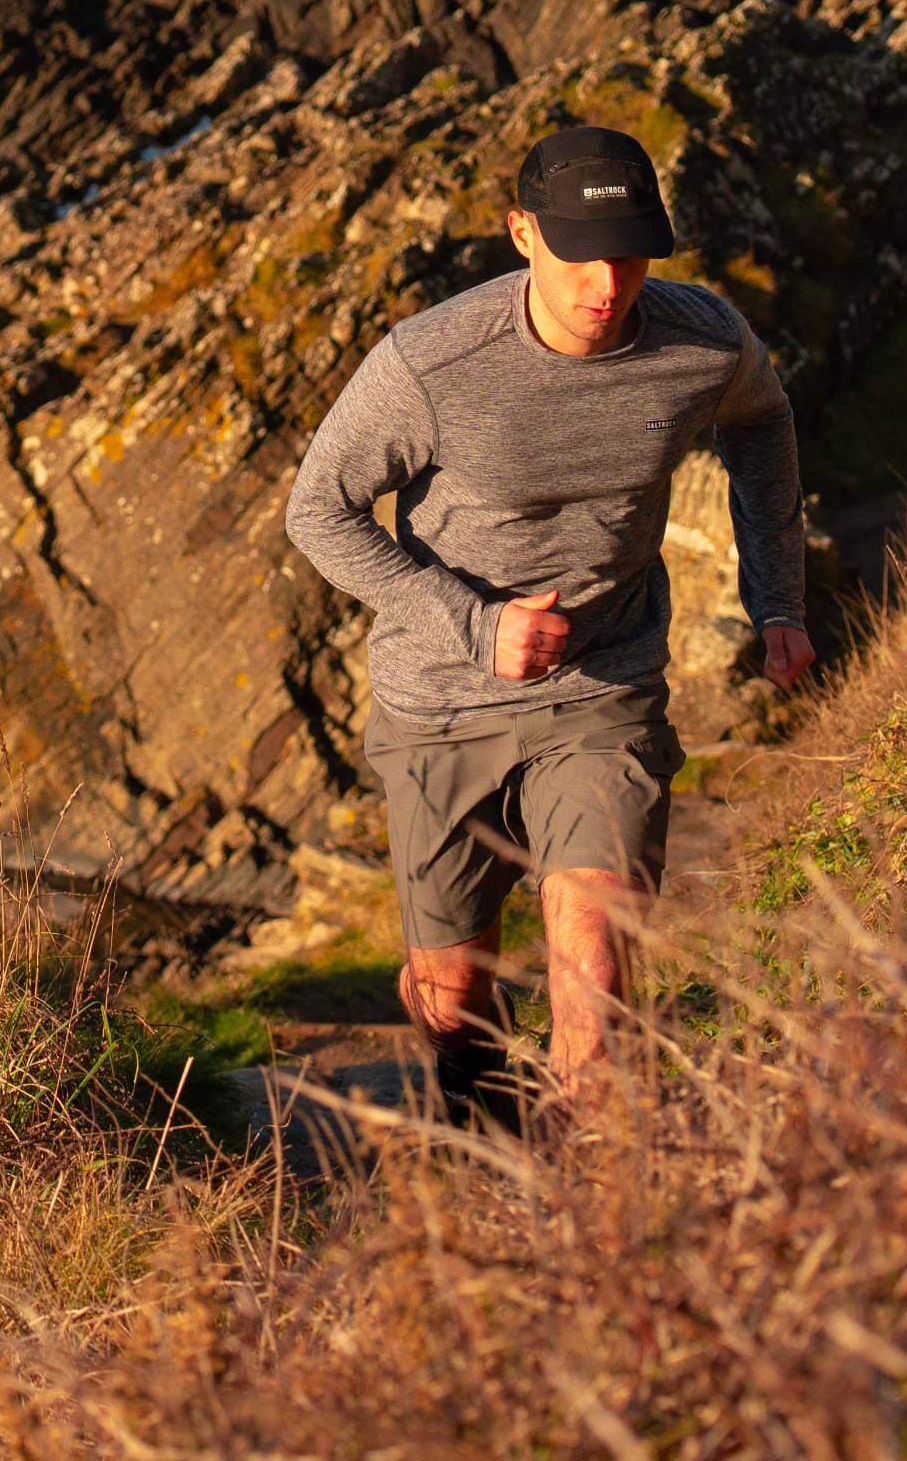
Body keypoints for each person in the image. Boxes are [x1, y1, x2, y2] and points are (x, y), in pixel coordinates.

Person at [284, 123, 812, 1121]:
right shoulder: (434, 365)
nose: (605, 283)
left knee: (595, 964)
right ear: (522, 234)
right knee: (450, 992)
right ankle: (474, 1099)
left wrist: (775, 596)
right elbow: (317, 512)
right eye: (578, 252)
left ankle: (583, 1221)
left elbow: (762, 417)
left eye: (628, 254)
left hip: (603, 686)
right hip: (441, 701)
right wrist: (472, 623)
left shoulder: (699, 339)